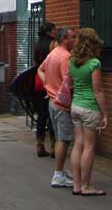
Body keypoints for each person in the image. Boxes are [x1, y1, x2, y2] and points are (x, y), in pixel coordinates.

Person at [69, 28, 108, 197]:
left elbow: (71, 83)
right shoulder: (94, 64)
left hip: (75, 106)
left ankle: (76, 185)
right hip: (90, 108)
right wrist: (105, 113)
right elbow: (97, 91)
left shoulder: (72, 60)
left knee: (78, 144)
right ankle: (86, 186)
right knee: (89, 147)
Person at [38, 27, 76, 188]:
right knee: (63, 139)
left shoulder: (52, 53)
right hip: (61, 104)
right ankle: (58, 174)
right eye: (73, 37)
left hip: (52, 101)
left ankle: (60, 172)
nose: (75, 40)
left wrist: (48, 86)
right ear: (64, 40)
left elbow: (40, 69)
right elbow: (69, 82)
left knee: (61, 136)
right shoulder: (65, 57)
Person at [33, 22, 57, 157]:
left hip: (38, 81)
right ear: (49, 31)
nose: (56, 31)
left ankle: (40, 145)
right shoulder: (53, 44)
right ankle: (54, 146)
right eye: (54, 29)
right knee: (53, 115)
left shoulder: (37, 44)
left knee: (42, 115)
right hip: (51, 81)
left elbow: (35, 63)